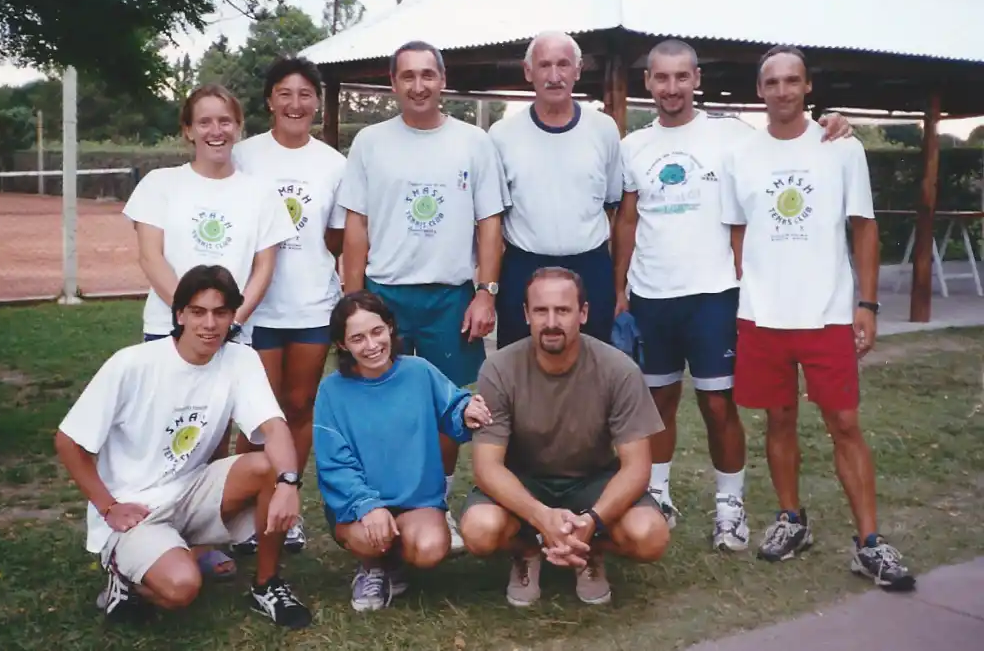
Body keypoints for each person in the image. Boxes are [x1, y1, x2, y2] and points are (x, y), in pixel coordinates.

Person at [613, 39, 853, 551]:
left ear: (696, 79)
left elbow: (789, 136)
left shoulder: (731, 137)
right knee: (657, 403)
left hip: (716, 293)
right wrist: (619, 289)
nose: (671, 88)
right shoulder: (633, 146)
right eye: (661, 78)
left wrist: (834, 122)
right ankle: (658, 496)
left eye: (682, 77)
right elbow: (628, 219)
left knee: (718, 405)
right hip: (652, 294)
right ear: (648, 83)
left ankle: (731, 508)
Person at [719, 45, 915, 590]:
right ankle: (791, 520)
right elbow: (738, 231)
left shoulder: (840, 148)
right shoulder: (742, 154)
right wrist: (751, 286)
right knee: (778, 420)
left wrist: (867, 305)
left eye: (793, 81)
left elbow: (864, 227)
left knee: (844, 424)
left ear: (808, 88)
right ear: (759, 91)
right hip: (762, 315)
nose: (782, 91)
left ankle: (869, 543)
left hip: (827, 313)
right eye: (772, 82)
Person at [54, 265, 313, 628]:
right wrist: (108, 506)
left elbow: (275, 427)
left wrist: (288, 482)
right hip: (137, 508)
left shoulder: (240, 359)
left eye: (220, 312)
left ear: (231, 316)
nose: (210, 324)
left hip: (191, 491)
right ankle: (123, 574)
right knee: (181, 587)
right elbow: (69, 441)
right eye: (198, 312)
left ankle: (266, 585)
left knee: (266, 467)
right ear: (179, 315)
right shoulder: (133, 364)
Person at [338, 40, 508, 553]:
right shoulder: (369, 142)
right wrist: (353, 302)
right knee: (380, 407)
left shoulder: (474, 142)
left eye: (427, 75)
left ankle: (435, 504)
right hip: (385, 294)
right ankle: (377, 506)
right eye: (407, 76)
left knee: (449, 409)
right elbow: (356, 224)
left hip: (450, 296)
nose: (418, 86)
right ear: (393, 83)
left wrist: (486, 293)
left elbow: (490, 223)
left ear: (443, 79)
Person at [459, 267, 670, 607]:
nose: (551, 322)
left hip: (592, 481)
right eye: (541, 311)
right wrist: (541, 516)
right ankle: (527, 550)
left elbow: (636, 467)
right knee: (479, 530)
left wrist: (593, 520)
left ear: (583, 313)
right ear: (526, 315)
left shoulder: (619, 370)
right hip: (524, 481)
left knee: (651, 535)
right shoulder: (499, 369)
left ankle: (589, 551)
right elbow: (487, 467)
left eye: (563, 310)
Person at [229, 56, 347, 555]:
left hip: (312, 305)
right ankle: (240, 517)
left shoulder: (334, 164)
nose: (295, 103)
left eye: (305, 94)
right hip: (254, 308)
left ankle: (286, 504)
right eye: (285, 93)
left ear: (317, 102)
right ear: (269, 100)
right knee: (257, 415)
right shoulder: (244, 156)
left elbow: (337, 237)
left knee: (298, 408)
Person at [312, 291, 493, 611]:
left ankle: (393, 561)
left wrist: (466, 412)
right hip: (360, 505)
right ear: (342, 345)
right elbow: (334, 463)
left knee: (431, 547)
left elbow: (453, 405)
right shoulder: (331, 390)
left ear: (391, 328)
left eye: (377, 331)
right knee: (369, 535)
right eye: (357, 338)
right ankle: (372, 566)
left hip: (415, 500)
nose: (371, 345)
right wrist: (367, 505)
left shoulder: (418, 370)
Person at [123, 83, 296, 347]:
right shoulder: (158, 184)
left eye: (225, 121)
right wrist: (191, 317)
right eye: (204, 122)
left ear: (238, 128)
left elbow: (264, 268)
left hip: (232, 335)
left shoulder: (262, 194)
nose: (216, 131)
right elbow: (150, 258)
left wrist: (231, 321)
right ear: (188, 130)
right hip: (167, 329)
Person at [489, 31, 623, 349]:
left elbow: (613, 207)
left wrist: (618, 286)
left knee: (592, 368)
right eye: (544, 65)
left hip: (590, 267)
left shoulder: (604, 129)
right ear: (528, 71)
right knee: (521, 369)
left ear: (578, 70)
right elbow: (492, 221)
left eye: (563, 65)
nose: (554, 76)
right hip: (523, 267)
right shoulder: (501, 135)